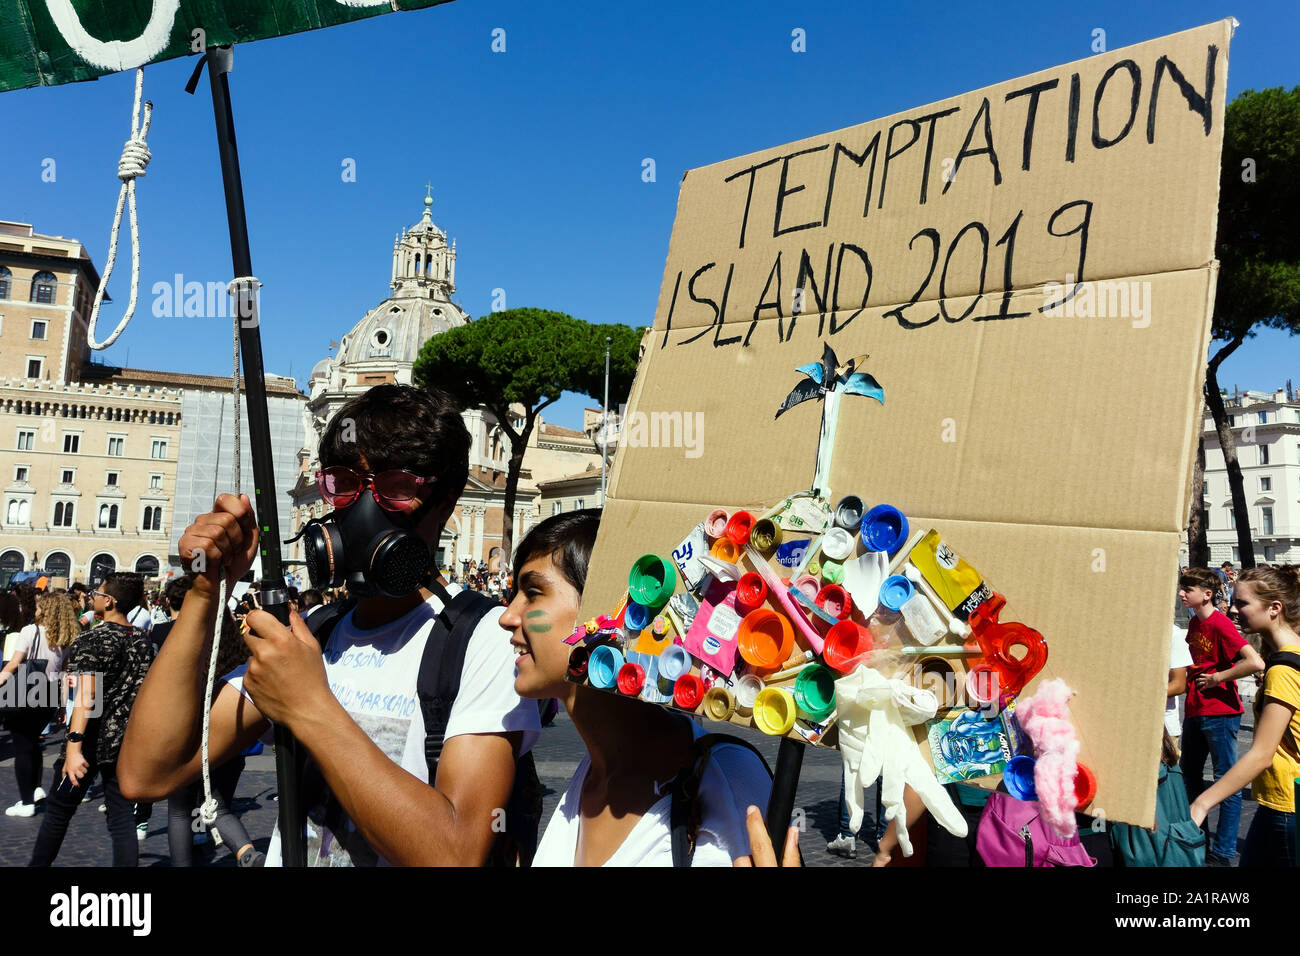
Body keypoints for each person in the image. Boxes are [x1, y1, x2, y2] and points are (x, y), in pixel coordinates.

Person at [120, 383, 541, 866]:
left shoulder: (485, 638)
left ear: (445, 501)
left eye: (396, 488)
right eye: (343, 484)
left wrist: (308, 705)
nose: (363, 510)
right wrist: (205, 591)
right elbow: (148, 774)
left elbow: (455, 854)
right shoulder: (314, 633)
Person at [499, 510, 773, 866]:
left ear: (599, 605)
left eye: (532, 593)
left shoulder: (727, 779)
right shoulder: (590, 774)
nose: (507, 616)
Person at [29, 573, 153, 867]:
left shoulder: (93, 638)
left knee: (58, 812)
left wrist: (73, 747)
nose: (94, 596)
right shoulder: (142, 641)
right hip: (125, 741)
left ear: (109, 601)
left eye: (98, 592)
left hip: (89, 739)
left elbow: (87, 695)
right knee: (121, 818)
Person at [1190, 565, 1300, 867]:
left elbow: (1262, 754)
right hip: (1279, 802)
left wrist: (1201, 803)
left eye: (1242, 603)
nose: (1234, 610)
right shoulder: (1291, 656)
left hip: (1284, 805)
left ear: (1274, 608)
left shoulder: (1283, 671)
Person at [1177, 567, 1264, 865]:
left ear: (1207, 594)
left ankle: (1224, 852)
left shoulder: (1221, 624)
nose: (1181, 593)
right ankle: (1196, 844)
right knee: (1189, 778)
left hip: (1221, 712)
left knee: (1226, 781)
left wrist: (1219, 678)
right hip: (1195, 710)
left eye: (1187, 589)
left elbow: (1254, 661)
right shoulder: (1194, 626)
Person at [3, 592, 80, 816]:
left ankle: (26, 802)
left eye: (39, 606)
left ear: (45, 609)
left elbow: (14, 665)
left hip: (26, 692)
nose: (35, 609)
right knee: (34, 742)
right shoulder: (66, 635)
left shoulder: (30, 631)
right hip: (50, 694)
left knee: (22, 747)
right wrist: (64, 706)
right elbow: (65, 672)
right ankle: (35, 789)